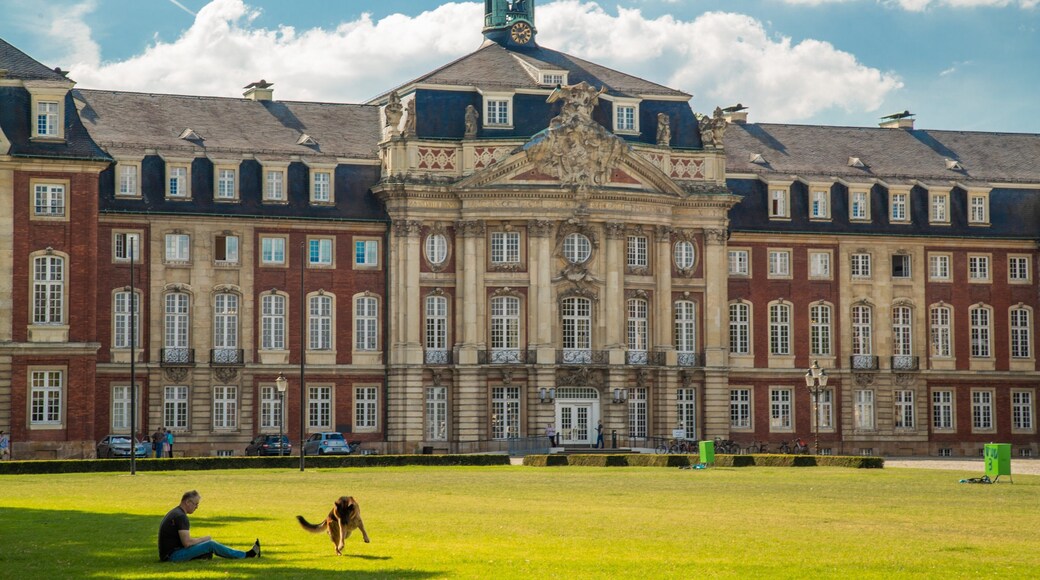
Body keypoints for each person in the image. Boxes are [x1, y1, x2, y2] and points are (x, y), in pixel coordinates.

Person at [158, 490, 261, 562]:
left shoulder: (176, 512)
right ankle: (246, 555)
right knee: (210, 544)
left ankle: (204, 556)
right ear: (188, 502)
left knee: (207, 549)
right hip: (172, 556)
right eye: (195, 504)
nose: (197, 507)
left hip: (169, 554)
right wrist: (205, 539)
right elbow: (187, 543)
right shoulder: (181, 516)